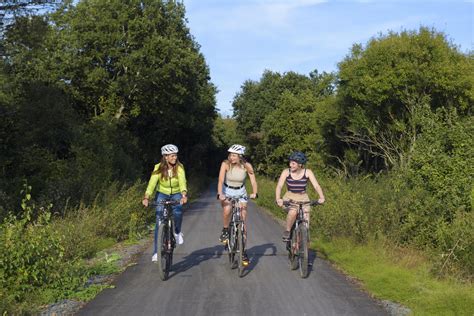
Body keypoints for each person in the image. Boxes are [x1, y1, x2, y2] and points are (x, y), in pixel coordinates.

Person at [142, 144, 188, 262]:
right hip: (162, 193)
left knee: (178, 211)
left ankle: (177, 232)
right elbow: (152, 183)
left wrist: (183, 195)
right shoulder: (158, 168)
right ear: (165, 157)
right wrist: (146, 197)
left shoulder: (179, 167)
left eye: (176, 155)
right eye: (172, 156)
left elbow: (182, 182)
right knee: (159, 220)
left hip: (176, 193)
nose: (175, 158)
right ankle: (156, 252)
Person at [217, 144, 258, 266]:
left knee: (243, 223)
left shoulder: (247, 166)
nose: (231, 157)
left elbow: (253, 180)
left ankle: (243, 250)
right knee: (227, 209)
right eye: (230, 155)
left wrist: (255, 192)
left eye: (234, 155)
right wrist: (220, 194)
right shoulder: (225, 164)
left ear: (240, 156)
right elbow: (220, 180)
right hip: (227, 190)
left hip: (241, 191)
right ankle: (225, 230)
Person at [275, 151, 325, 241]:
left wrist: (321, 197)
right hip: (290, 197)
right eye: (290, 163)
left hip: (303, 197)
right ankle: (288, 231)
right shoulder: (286, 172)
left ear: (300, 164)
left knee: (306, 217)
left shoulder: (308, 172)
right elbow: (279, 186)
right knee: (293, 212)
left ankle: (303, 241)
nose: (291, 165)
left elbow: (316, 185)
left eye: (293, 163)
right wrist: (278, 198)